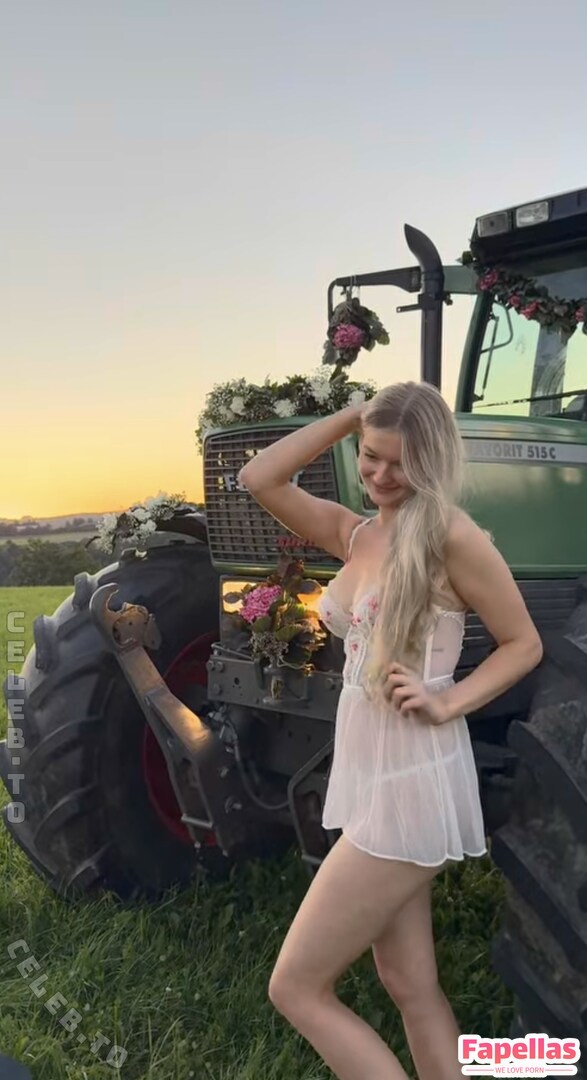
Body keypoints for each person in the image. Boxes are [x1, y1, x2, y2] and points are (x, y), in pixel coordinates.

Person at [238, 381, 543, 1080]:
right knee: (409, 983)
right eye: (370, 456)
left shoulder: (451, 538)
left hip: (410, 779)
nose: (378, 474)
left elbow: (522, 642)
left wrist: (448, 701)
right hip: (374, 774)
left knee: (295, 987)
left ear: (431, 462)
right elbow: (260, 478)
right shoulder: (357, 534)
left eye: (399, 463)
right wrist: (351, 415)